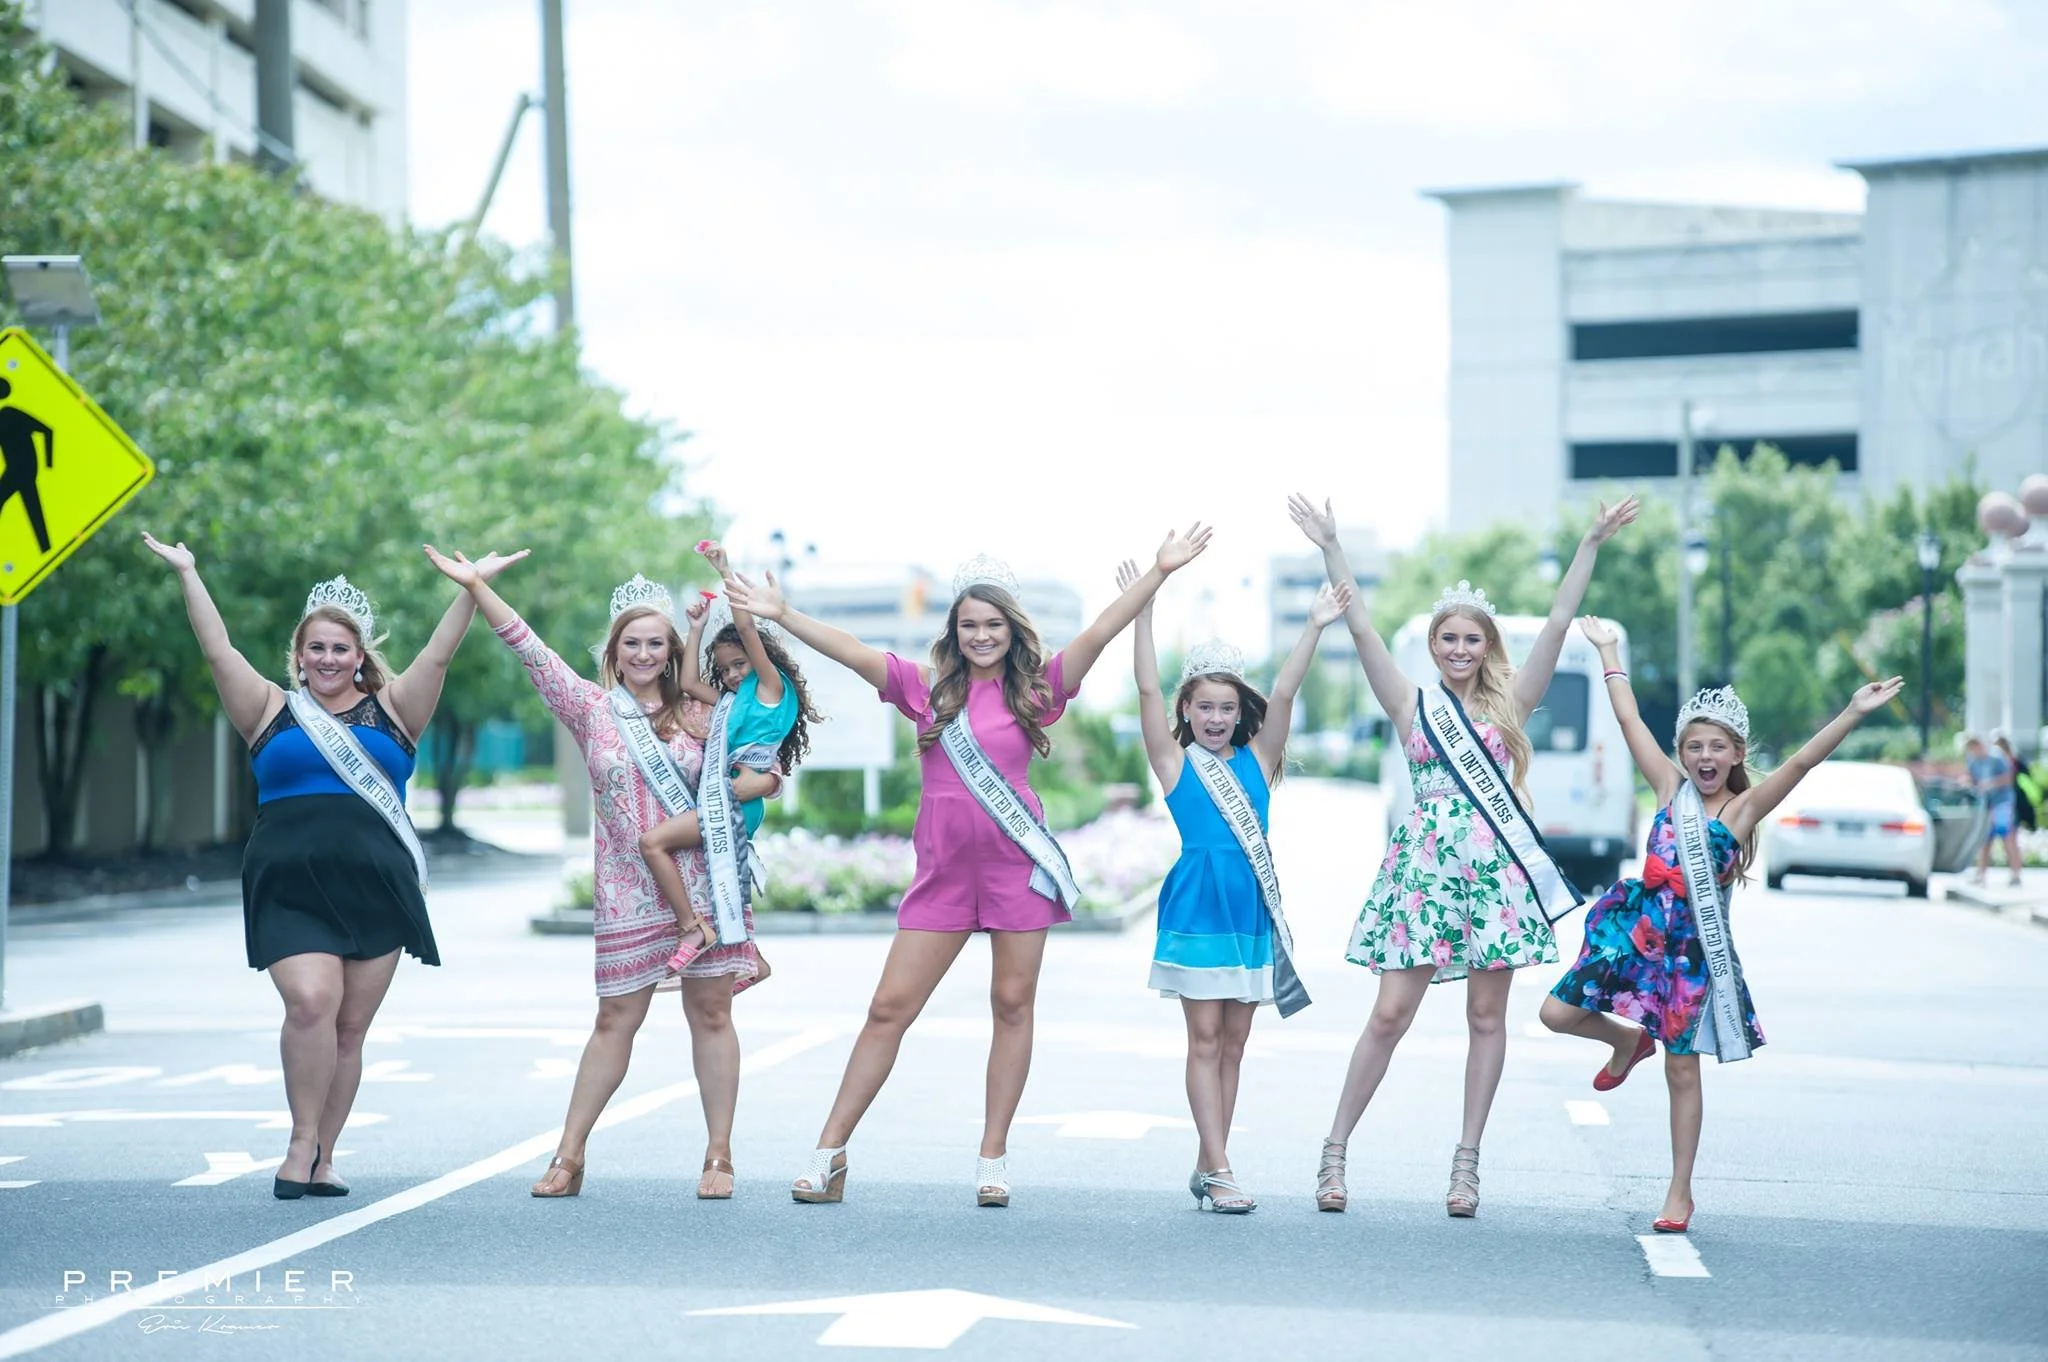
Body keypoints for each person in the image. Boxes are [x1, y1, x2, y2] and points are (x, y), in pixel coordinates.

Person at [728, 527, 1212, 1208]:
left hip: (1018, 870)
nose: (981, 635)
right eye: (969, 626)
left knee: (1012, 1006)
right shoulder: (926, 690)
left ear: (1011, 632)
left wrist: (1155, 574)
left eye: (992, 625)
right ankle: (829, 1152)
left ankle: (992, 1157)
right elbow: (857, 653)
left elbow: (1100, 634)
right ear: (954, 633)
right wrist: (782, 616)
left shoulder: (1037, 691)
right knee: (887, 1008)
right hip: (943, 876)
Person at [142, 531, 523, 1200]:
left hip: (376, 884)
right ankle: (297, 1142)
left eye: (339, 648)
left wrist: (470, 590)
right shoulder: (267, 709)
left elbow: (440, 653)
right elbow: (216, 649)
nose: (326, 657)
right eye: (314, 647)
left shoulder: (396, 711)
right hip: (288, 883)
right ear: (298, 655)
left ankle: (324, 1155)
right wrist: (188, 572)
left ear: (358, 656)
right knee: (312, 1003)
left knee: (349, 1029)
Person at [1289, 492, 1638, 1217]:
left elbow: (1557, 623)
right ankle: (1334, 1153)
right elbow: (1359, 628)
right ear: (1432, 645)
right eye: (1447, 639)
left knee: (1487, 1018)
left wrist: (1591, 543)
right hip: (1424, 877)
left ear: (1487, 648)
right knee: (1389, 1014)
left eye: (1470, 640)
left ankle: (1466, 1167)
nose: (1457, 650)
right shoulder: (1410, 705)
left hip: (1494, 878)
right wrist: (1331, 545)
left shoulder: (1512, 705)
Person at [427, 549, 781, 1201]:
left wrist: (756, 782)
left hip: (704, 888)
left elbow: (762, 765)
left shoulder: (704, 714)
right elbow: (529, 649)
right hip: (625, 890)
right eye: (632, 644)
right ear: (615, 652)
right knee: (614, 1020)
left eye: (656, 643)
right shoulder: (590, 708)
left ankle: (720, 1155)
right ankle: (569, 1155)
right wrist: (478, 587)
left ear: (673, 651)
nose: (644, 654)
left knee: (711, 1014)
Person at [1542, 621, 1903, 1231]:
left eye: (1716, 747)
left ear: (1737, 753)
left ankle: (1679, 1191)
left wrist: (1852, 712)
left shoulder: (1742, 810)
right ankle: (1625, 1040)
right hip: (1634, 935)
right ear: (1681, 753)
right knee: (1556, 1014)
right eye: (1693, 747)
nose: (1703, 757)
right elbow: (1630, 722)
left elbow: (1803, 762)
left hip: (1690, 954)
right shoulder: (1667, 789)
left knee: (1682, 1069)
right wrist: (1608, 653)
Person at [1126, 555, 1349, 1213]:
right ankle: (1221, 1170)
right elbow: (1144, 692)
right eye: (1205, 707)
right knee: (1202, 1040)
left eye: (1227, 707)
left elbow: (1284, 694)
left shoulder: (1259, 761)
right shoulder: (1174, 764)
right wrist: (1142, 611)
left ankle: (1208, 1157)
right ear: (1187, 710)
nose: (1217, 718)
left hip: (1249, 910)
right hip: (1197, 907)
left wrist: (1311, 627)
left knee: (1234, 1044)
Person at [638, 541, 819, 977]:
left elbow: (749, 631)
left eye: (740, 664)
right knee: (721, 872)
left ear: (759, 662)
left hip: (739, 801)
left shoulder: (770, 692)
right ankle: (752, 961)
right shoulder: (730, 703)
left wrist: (724, 571)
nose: (735, 674)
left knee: (653, 843)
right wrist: (696, 628)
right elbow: (686, 682)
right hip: (726, 795)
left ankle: (693, 929)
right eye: (727, 670)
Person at [1967, 733, 2023, 888]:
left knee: (2008, 838)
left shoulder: (1996, 758)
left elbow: (2008, 778)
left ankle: (2015, 873)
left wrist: (1990, 783)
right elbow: (1972, 779)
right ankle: (1981, 874)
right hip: (1986, 804)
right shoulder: (1973, 761)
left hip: (2002, 803)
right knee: (1985, 840)